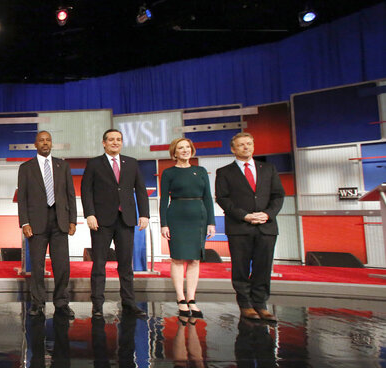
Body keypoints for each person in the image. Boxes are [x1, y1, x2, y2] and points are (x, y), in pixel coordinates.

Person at [215, 132, 284, 322]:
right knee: (241, 268)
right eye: (241, 145)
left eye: (249, 144)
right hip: (239, 227)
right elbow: (222, 198)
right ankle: (245, 305)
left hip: (266, 226)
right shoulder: (224, 172)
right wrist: (244, 216)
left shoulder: (268, 168)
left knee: (263, 267)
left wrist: (268, 213)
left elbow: (278, 195)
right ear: (233, 149)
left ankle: (261, 305)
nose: (246, 147)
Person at [80, 129, 150, 319]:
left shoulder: (132, 163)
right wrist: (90, 214)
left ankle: (129, 303)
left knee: (126, 265)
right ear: (104, 143)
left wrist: (144, 214)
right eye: (111, 139)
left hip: (126, 219)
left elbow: (141, 191)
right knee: (99, 265)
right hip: (101, 221)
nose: (115, 142)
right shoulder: (94, 163)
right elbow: (86, 191)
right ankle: (97, 306)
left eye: (118, 139)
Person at [17, 131, 77, 318]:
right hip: (36, 223)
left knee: (62, 265)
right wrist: (24, 222)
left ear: (51, 143)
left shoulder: (63, 165)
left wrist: (73, 220)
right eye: (41, 140)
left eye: (48, 140)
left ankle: (61, 302)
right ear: (35, 144)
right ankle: (37, 303)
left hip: (60, 221)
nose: (45, 143)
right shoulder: (26, 168)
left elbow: (70, 194)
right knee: (37, 265)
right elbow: (23, 198)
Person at [159, 138, 215, 319]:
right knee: (177, 258)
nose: (184, 150)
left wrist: (211, 222)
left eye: (187, 147)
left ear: (192, 150)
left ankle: (191, 298)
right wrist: (164, 223)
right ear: (174, 153)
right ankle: (180, 298)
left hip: (198, 216)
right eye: (180, 148)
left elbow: (208, 198)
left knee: (195, 260)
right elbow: (163, 200)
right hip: (176, 215)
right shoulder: (168, 173)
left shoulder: (200, 171)